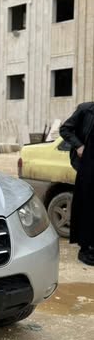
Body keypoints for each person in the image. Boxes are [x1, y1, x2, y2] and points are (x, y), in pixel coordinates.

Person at [60, 102, 94, 265]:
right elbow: (65, 129)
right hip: (88, 165)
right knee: (87, 207)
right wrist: (79, 146)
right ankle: (85, 248)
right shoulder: (86, 110)